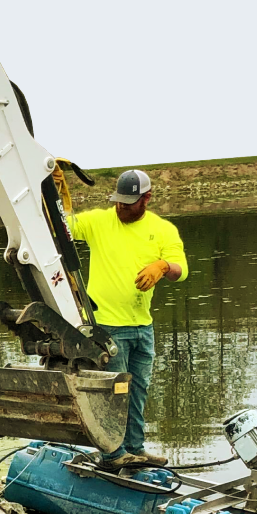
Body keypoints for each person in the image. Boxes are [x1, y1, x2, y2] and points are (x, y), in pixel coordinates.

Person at [68, 168, 188, 470]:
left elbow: (181, 269)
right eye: (118, 201)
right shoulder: (98, 221)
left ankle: (135, 449)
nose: (121, 207)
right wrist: (57, 196)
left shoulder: (162, 230)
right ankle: (112, 453)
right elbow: (62, 228)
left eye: (128, 202)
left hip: (142, 326)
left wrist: (162, 266)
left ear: (146, 199)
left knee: (138, 390)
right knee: (114, 391)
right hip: (107, 326)